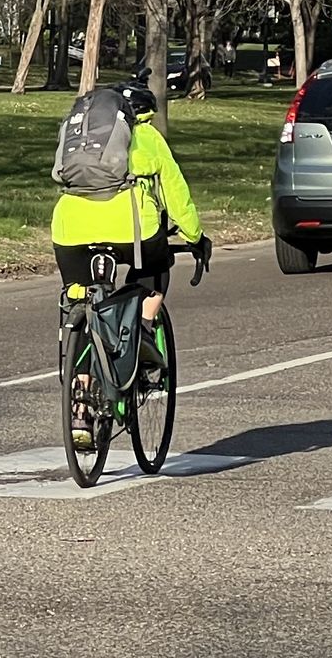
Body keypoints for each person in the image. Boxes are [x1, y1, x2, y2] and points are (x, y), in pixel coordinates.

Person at [51, 82, 207, 447]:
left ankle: (80, 408)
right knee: (155, 272)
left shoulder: (83, 139)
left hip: (70, 229)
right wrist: (196, 237)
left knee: (80, 300)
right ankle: (146, 327)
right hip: (131, 230)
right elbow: (176, 192)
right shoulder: (148, 136)